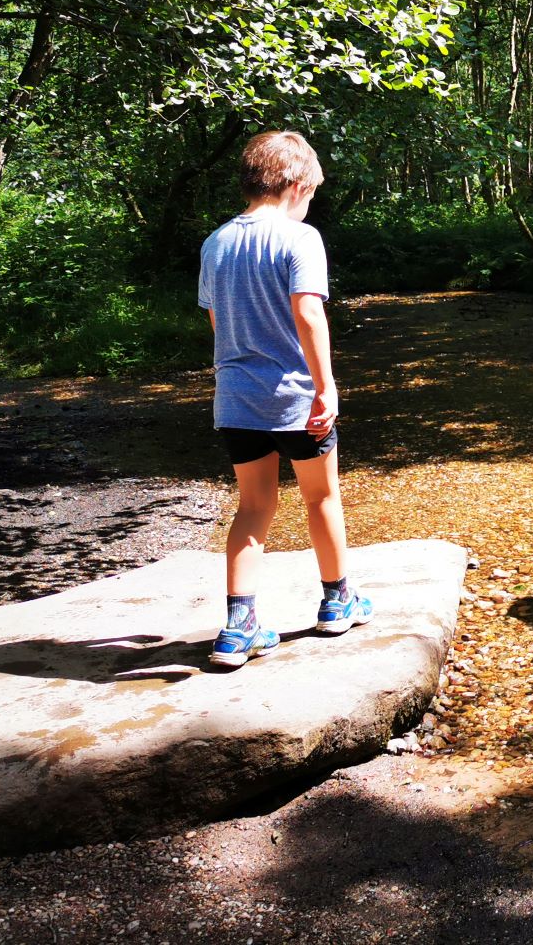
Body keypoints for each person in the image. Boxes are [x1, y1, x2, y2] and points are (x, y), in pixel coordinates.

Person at [197, 131, 371, 668]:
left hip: (237, 398)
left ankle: (237, 628)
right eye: (313, 193)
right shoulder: (301, 239)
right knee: (321, 497)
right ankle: (338, 601)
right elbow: (309, 314)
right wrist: (327, 387)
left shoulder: (217, 242)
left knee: (253, 507)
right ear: (297, 185)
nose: (311, 204)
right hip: (297, 398)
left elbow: (216, 319)